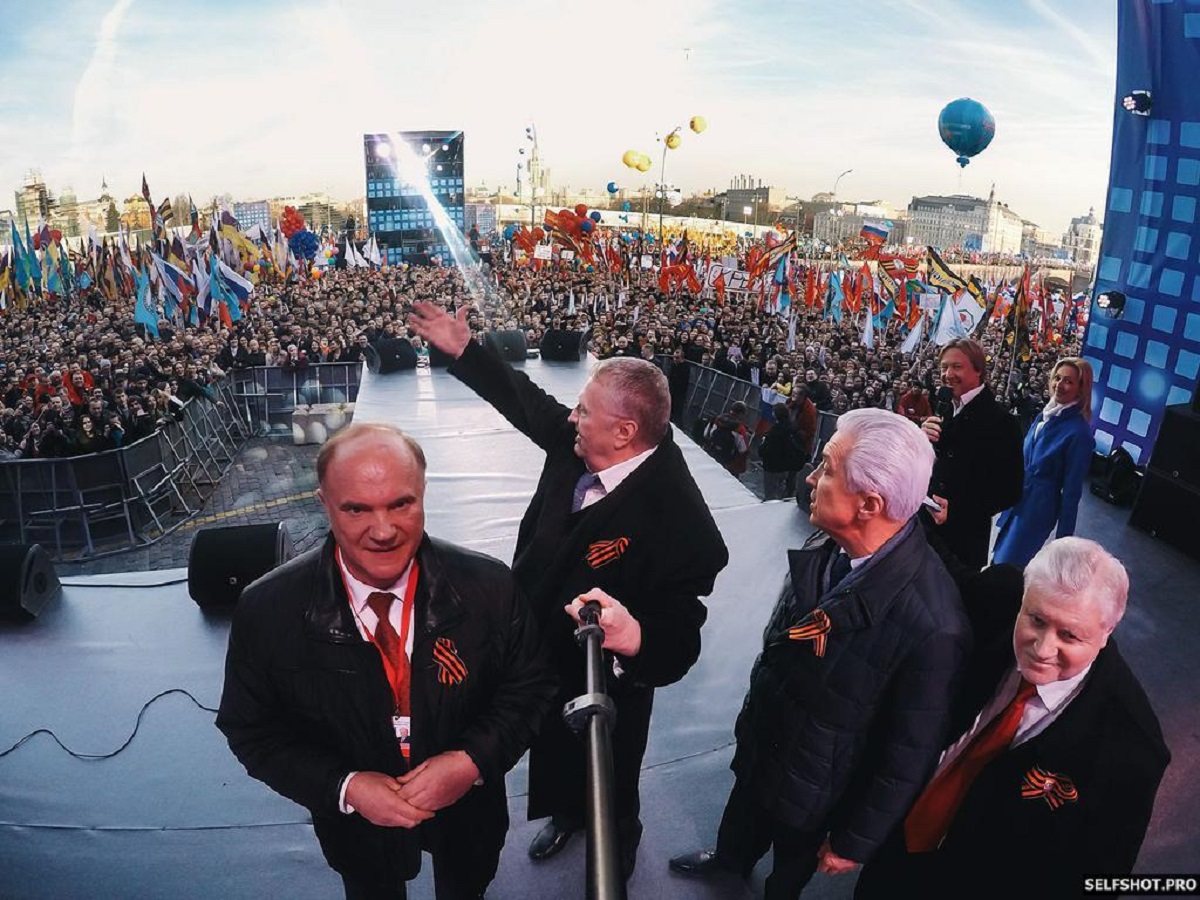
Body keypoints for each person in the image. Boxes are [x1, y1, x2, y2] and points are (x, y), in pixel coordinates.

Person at [408, 300, 729, 880]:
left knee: (611, 765)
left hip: (606, 673)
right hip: (537, 640)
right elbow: (526, 402)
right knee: (554, 747)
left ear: (624, 432)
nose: (572, 417)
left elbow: (681, 633)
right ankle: (568, 814)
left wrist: (635, 637)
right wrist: (466, 351)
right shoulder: (579, 442)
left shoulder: (680, 519)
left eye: (584, 411)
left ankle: (618, 841)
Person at [216, 423, 557, 900]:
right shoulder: (267, 610)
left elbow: (530, 688)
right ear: (324, 503)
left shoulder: (491, 587)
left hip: (470, 820)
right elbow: (252, 730)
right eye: (356, 509)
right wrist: (346, 787)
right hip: (355, 835)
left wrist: (471, 762)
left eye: (401, 504)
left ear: (423, 493)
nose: (383, 530)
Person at [669, 409, 972, 899]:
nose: (811, 479)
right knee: (742, 819)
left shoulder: (935, 626)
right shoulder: (832, 541)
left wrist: (855, 839)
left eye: (827, 469)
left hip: (818, 794)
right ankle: (729, 860)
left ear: (869, 505)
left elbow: (907, 755)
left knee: (787, 874)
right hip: (768, 744)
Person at [855, 537, 1170, 900]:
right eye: (1036, 620)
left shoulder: (1132, 747)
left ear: (1106, 632)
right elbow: (941, 569)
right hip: (897, 844)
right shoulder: (1000, 600)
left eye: (1069, 635)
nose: (1042, 649)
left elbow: (1098, 876)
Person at [921, 338, 1024, 571]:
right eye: (944, 367)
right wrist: (921, 438)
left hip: (961, 543)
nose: (948, 374)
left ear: (978, 370)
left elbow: (1009, 492)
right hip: (924, 530)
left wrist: (955, 510)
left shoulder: (1002, 423)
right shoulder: (944, 406)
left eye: (957, 367)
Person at [991, 358, 1095, 569]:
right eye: (1057, 378)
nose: (1059, 385)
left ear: (1081, 388)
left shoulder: (1079, 433)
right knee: (998, 557)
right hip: (1018, 499)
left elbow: (1072, 491)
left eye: (1068, 381)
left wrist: (1063, 542)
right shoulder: (1045, 415)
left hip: (1038, 508)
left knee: (1008, 565)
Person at [704, 400, 751, 475]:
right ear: (741, 414)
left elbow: (706, 434)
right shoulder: (740, 428)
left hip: (711, 453)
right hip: (728, 462)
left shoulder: (717, 419)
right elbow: (743, 450)